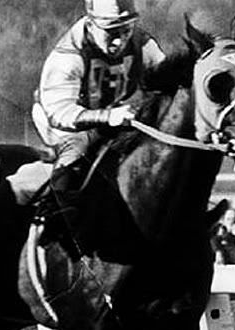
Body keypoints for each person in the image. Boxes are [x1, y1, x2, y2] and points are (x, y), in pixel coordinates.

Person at [31, 0, 166, 254]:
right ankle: (57, 223)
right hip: (67, 123)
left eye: (126, 30)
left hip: (119, 116)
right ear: (92, 24)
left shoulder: (144, 44)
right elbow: (59, 113)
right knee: (75, 153)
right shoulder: (68, 56)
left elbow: (165, 79)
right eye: (111, 33)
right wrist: (107, 117)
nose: (120, 41)